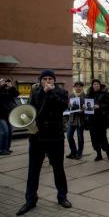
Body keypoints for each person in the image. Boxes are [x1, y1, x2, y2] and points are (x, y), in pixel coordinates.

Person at [16, 70, 72, 215]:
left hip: (55, 136)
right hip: (37, 137)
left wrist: (50, 93)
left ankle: (62, 196)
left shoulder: (61, 92)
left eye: (50, 78)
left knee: (58, 169)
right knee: (33, 170)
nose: (48, 81)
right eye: (45, 79)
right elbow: (31, 110)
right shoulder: (35, 93)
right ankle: (30, 199)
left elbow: (63, 107)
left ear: (54, 80)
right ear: (40, 80)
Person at [86, 79, 109, 161]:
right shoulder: (89, 95)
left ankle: (108, 152)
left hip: (101, 119)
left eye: (97, 84)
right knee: (94, 138)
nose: (96, 85)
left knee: (102, 137)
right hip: (92, 120)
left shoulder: (105, 94)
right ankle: (98, 154)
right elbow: (87, 104)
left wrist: (99, 106)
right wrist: (84, 106)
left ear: (100, 85)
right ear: (92, 85)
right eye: (94, 84)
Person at [66, 81, 85, 160]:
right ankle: (73, 151)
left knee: (80, 137)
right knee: (69, 135)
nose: (78, 88)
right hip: (72, 119)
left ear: (82, 87)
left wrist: (83, 109)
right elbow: (67, 107)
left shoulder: (85, 96)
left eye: (79, 86)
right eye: (76, 86)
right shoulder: (71, 96)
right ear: (74, 87)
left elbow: (89, 108)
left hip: (81, 120)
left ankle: (79, 153)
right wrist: (68, 106)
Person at [0, 78, 19, 155]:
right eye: (3, 81)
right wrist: (0, 86)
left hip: (8, 115)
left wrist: (11, 86)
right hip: (0, 115)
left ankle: (6, 148)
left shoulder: (7, 91)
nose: (5, 83)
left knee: (10, 132)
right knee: (4, 132)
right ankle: (1, 149)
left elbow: (16, 94)